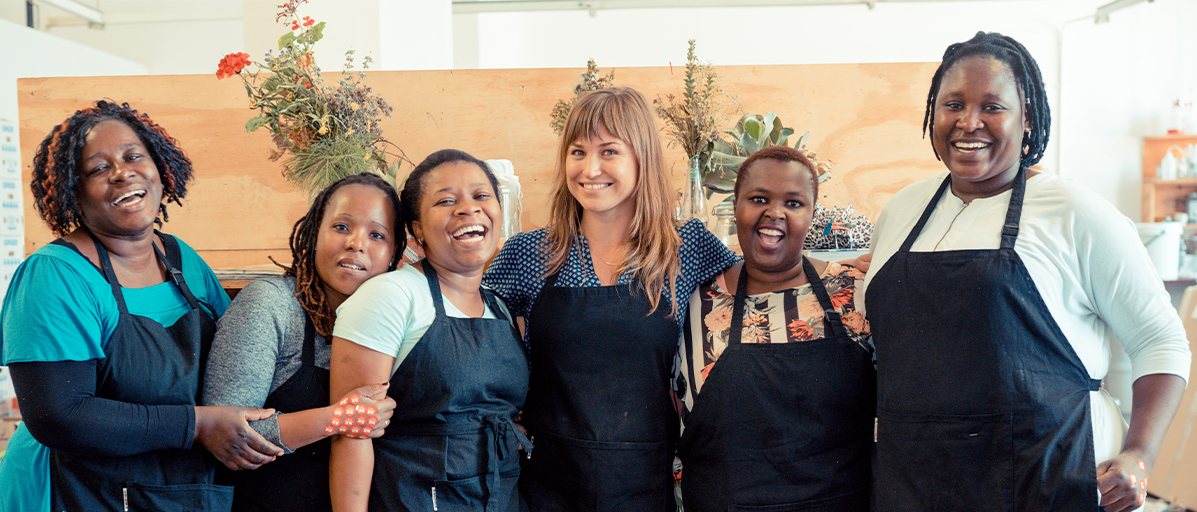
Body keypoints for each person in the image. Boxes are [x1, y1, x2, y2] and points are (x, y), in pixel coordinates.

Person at [863, 32, 1191, 512]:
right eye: (953, 104)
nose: (969, 122)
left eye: (992, 107)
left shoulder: (1075, 212)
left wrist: (1140, 456)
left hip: (1047, 480)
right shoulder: (901, 211)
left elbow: (1160, 341)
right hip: (915, 482)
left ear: (1028, 118)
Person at [0, 100, 283, 511]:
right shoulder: (56, 276)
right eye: (98, 168)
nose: (122, 172)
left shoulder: (183, 260)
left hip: (171, 488)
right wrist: (197, 425)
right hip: (73, 491)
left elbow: (236, 354)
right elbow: (60, 416)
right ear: (73, 192)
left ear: (160, 168)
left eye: (134, 157)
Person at [484, 87, 740, 511]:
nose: (590, 169)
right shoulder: (529, 253)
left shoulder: (684, 247)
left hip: (644, 480)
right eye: (578, 152)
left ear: (642, 158)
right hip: (545, 481)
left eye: (609, 152)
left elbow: (760, 281)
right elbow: (470, 329)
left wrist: (838, 268)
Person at [329, 149, 530, 511]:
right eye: (446, 200)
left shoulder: (499, 306)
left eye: (481, 195)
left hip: (501, 498)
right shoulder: (391, 295)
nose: (468, 209)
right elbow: (351, 433)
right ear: (417, 229)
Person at [676, 146, 874, 512]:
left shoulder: (855, 294)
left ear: (812, 214)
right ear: (735, 206)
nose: (775, 212)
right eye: (758, 199)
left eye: (794, 203)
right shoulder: (692, 303)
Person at [203, 173, 401, 512]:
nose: (356, 243)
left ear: (394, 254)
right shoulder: (271, 304)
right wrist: (339, 419)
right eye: (341, 227)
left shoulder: (393, 321)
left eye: (377, 234)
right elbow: (226, 434)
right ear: (314, 234)